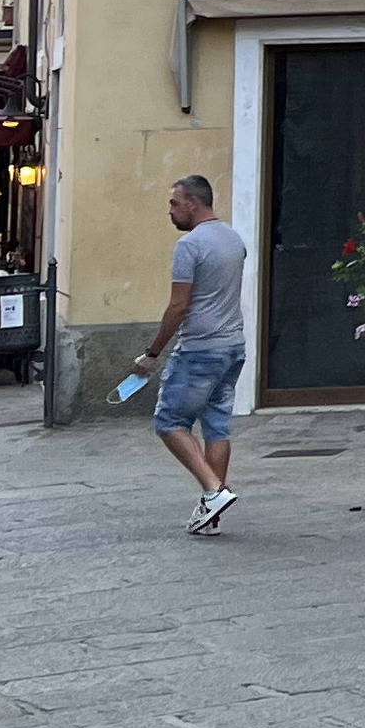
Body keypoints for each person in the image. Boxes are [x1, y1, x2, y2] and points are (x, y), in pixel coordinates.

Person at [133, 174, 250, 535]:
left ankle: (214, 491)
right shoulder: (234, 239)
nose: (170, 211)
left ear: (193, 203)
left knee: (170, 422)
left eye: (174, 203)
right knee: (217, 426)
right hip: (233, 347)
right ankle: (210, 513)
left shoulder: (190, 245)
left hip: (199, 350)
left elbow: (179, 306)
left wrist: (152, 354)